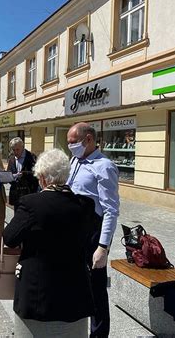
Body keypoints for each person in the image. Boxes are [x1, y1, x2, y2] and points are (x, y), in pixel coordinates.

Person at [3, 149, 96, 337]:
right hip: (75, 290)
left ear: (43, 178)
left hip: (38, 290)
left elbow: (10, 239)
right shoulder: (86, 205)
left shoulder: (30, 203)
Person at [66, 122, 120, 337]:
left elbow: (111, 210)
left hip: (93, 235)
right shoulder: (75, 160)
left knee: (96, 290)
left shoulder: (104, 166)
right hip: (75, 233)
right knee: (76, 285)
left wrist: (103, 247)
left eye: (73, 142)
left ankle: (98, 334)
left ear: (88, 139)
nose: (70, 146)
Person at [7, 137, 39, 210]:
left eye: (17, 149)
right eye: (13, 150)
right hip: (16, 193)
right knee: (18, 216)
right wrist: (8, 177)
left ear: (22, 147)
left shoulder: (31, 157)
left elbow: (37, 173)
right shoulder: (11, 158)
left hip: (29, 192)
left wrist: (24, 174)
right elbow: (9, 172)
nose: (15, 152)